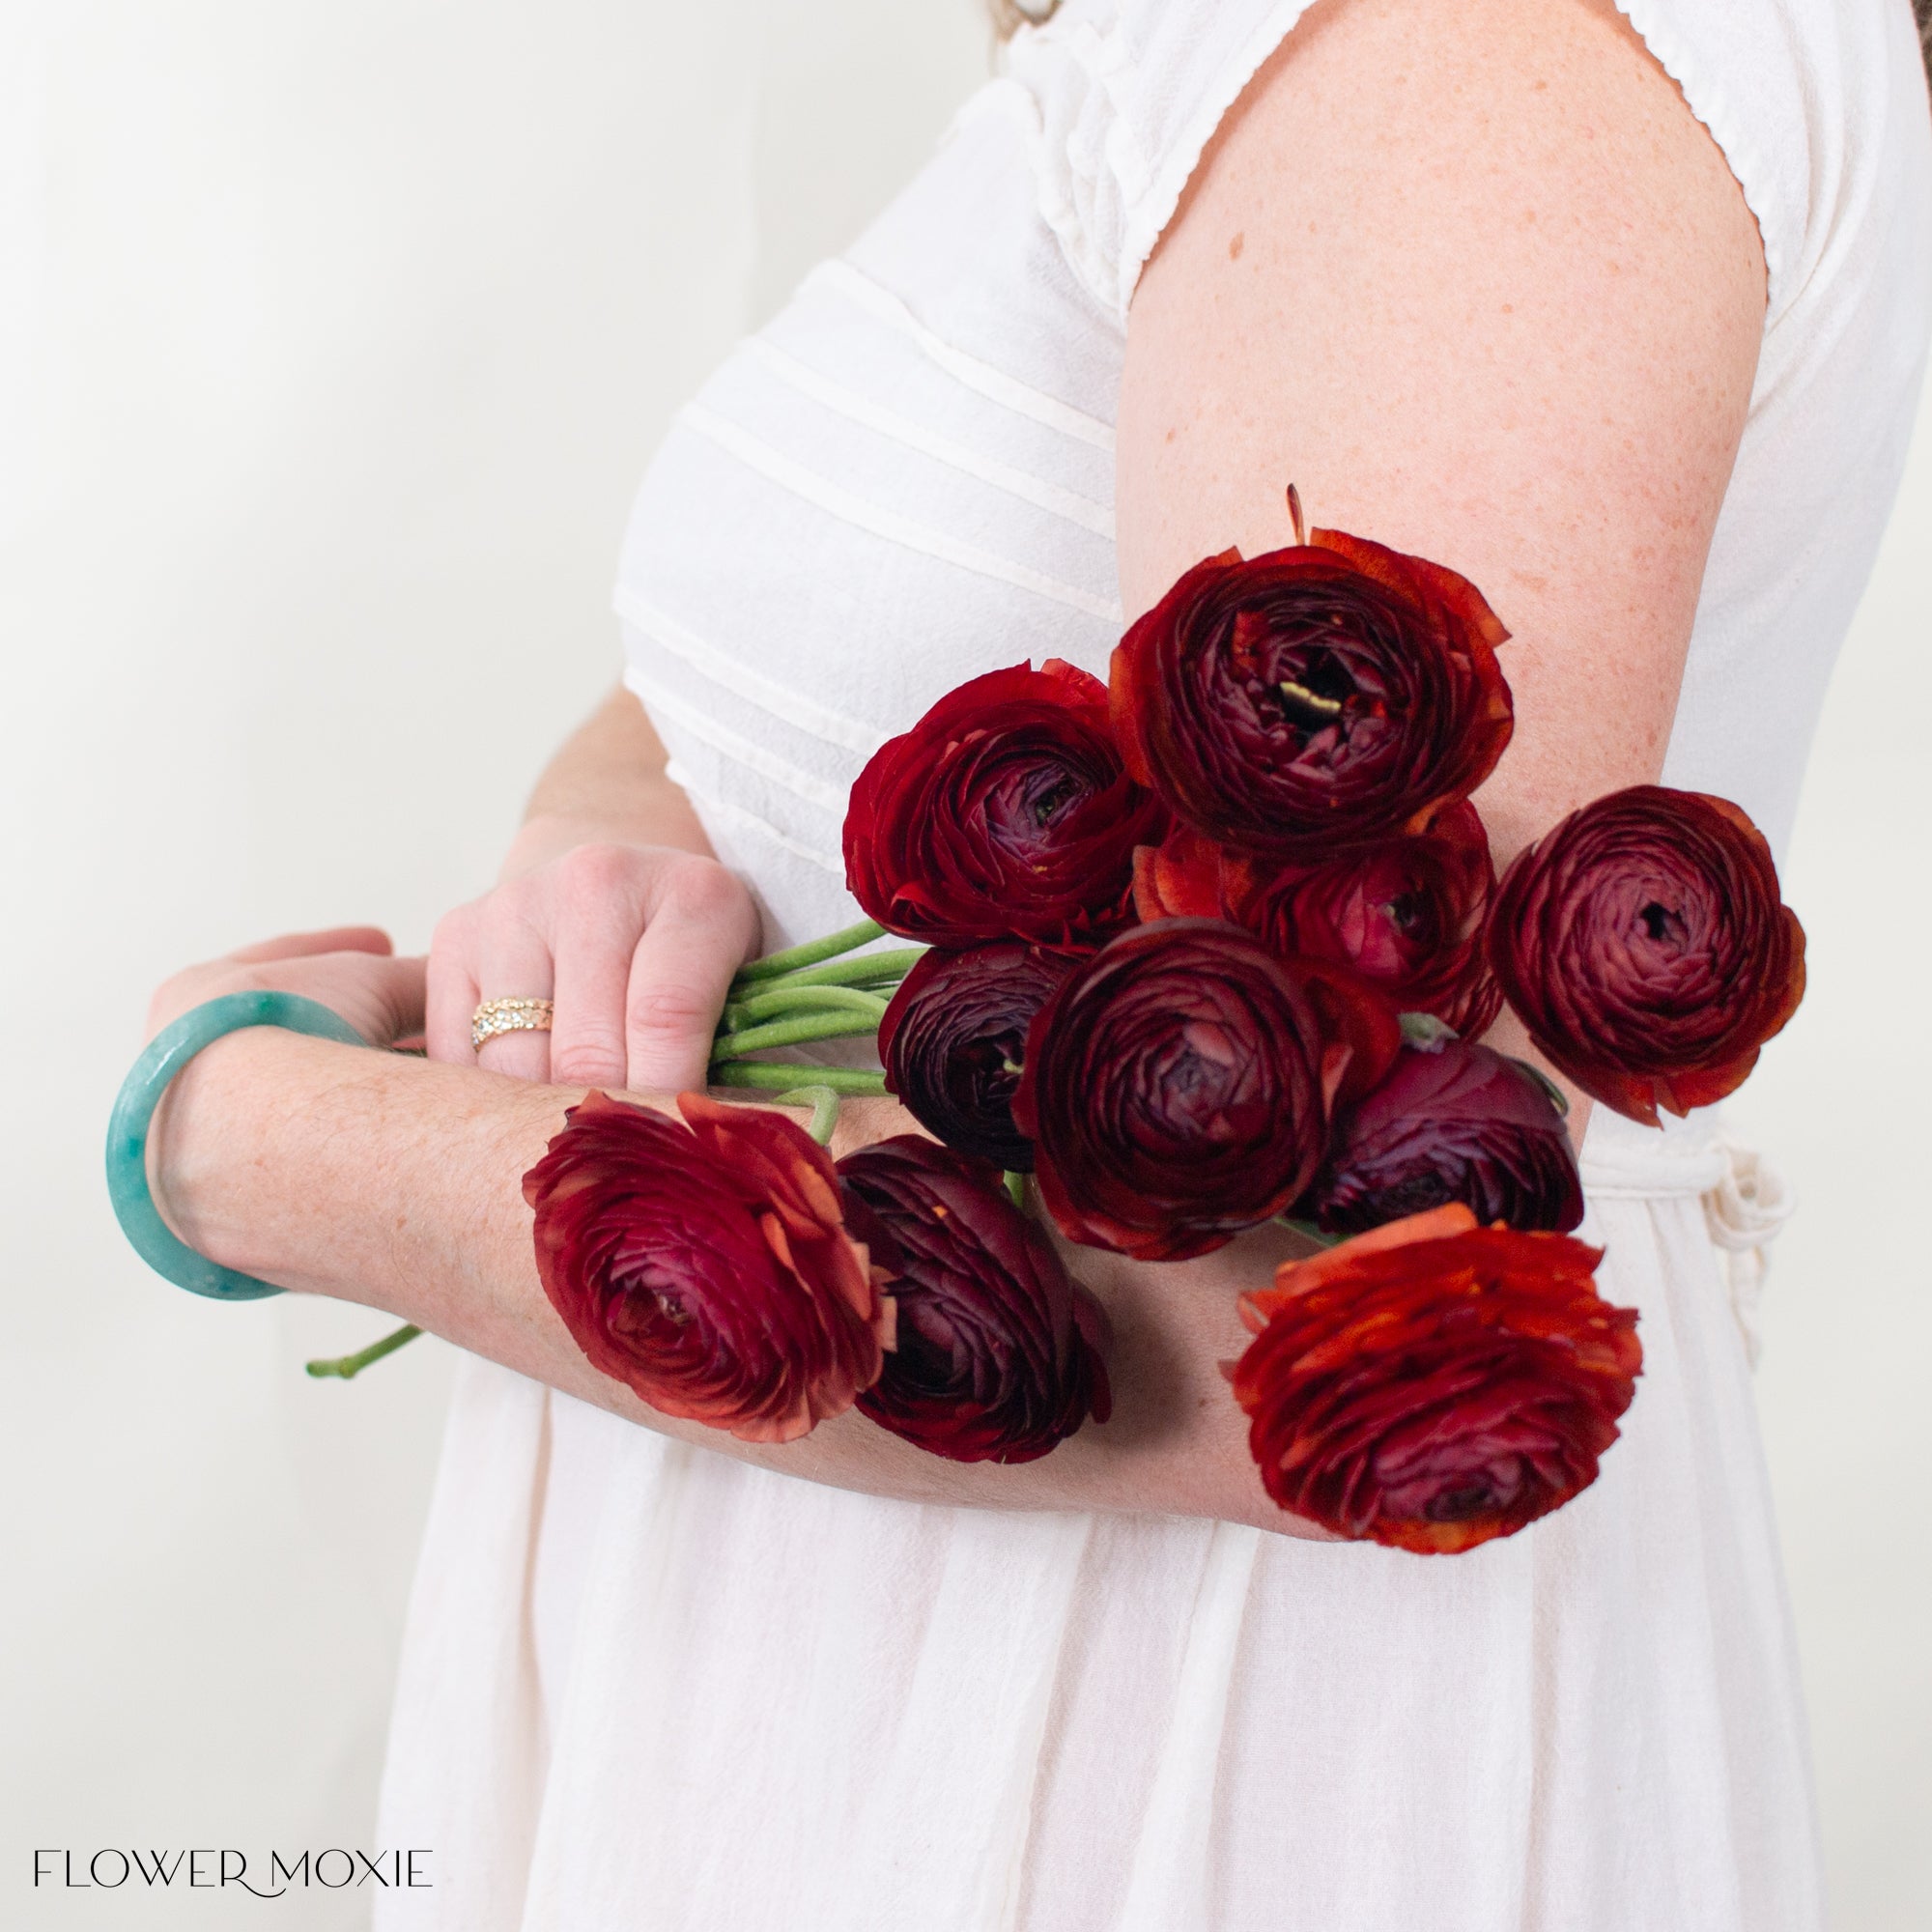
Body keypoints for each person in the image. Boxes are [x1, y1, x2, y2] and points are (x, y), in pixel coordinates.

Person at [144, 0, 1932, 1924]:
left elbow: (1268, 1315)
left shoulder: (1477, 58)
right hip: (861, 1683)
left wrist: (250, 1142)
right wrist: (611, 844)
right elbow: (801, 638)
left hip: (1142, 1748)